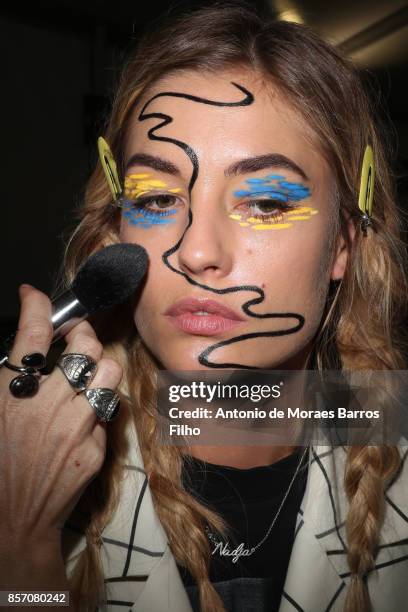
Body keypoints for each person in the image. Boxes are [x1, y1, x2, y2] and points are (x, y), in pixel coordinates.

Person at [1, 4, 407, 612]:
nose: (196, 251)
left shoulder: (391, 450)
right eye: (158, 198)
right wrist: (20, 544)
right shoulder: (22, 472)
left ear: (342, 246)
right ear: (118, 231)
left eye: (267, 202)